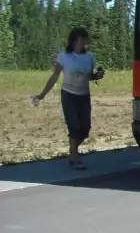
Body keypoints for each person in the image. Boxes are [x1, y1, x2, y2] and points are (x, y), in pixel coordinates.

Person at [32, 27, 105, 169]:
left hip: (84, 96)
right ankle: (75, 157)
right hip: (69, 95)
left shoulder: (89, 57)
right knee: (74, 126)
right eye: (81, 39)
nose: (84, 42)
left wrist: (97, 76)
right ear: (73, 41)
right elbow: (54, 77)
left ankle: (72, 150)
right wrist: (41, 95)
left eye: (85, 39)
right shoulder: (63, 57)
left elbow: (89, 76)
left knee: (85, 128)